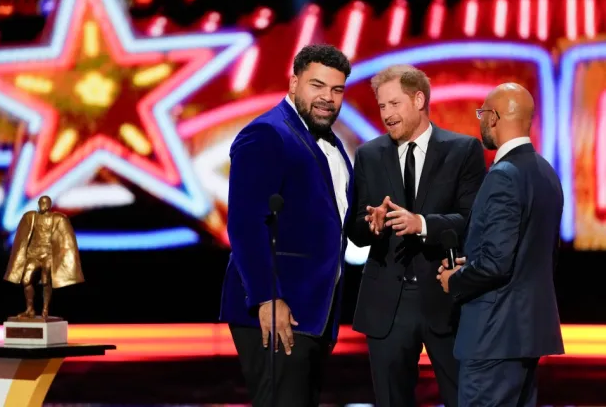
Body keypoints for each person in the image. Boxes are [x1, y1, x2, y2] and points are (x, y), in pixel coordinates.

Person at [219, 44, 353, 407]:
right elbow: (246, 225)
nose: (328, 97)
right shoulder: (267, 134)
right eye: (317, 85)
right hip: (278, 308)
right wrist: (267, 297)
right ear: (294, 83)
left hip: (313, 311)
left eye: (337, 89)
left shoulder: (329, 142)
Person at [347, 65, 486, 407]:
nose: (387, 115)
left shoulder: (462, 150)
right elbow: (354, 227)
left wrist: (421, 223)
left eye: (394, 104)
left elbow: (472, 221)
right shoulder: (369, 155)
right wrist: (372, 224)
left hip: (444, 298)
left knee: (462, 399)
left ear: (419, 99)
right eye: (382, 107)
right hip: (387, 305)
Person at [437, 82, 564, 406]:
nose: (480, 120)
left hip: (494, 336)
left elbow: (497, 264)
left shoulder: (504, 174)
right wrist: (475, 262)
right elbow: (532, 255)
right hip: (526, 333)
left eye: (482, 113)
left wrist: (455, 280)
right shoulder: (545, 172)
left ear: (493, 117)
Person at [4, 195, 84, 319]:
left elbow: (64, 238)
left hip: (48, 254)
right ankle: (30, 309)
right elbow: (23, 237)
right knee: (26, 280)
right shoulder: (32, 217)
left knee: (46, 281)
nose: (43, 205)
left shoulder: (56, 218)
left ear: (49, 205)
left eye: (45, 203)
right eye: (41, 202)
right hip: (33, 254)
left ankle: (45, 308)